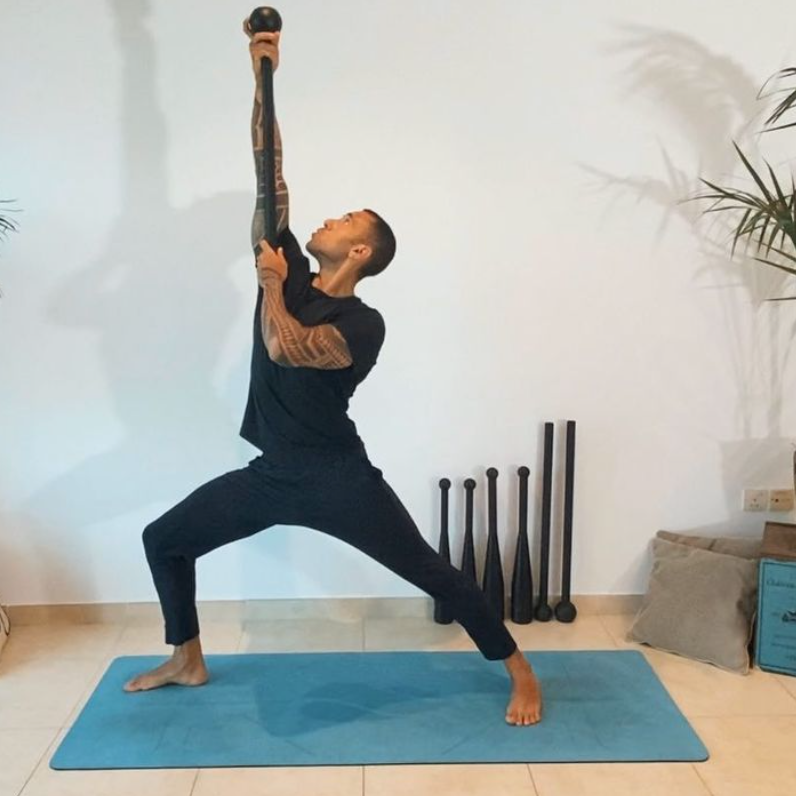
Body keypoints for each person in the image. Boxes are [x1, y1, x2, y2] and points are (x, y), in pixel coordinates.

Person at [123, 22, 543, 727]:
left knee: (431, 572)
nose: (327, 217)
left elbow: (289, 348)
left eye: (345, 219)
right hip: (272, 472)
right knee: (163, 539)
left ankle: (521, 671)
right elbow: (269, 171)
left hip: (338, 479)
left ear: (359, 251)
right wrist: (263, 75)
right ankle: (187, 658)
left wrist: (268, 284)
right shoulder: (287, 264)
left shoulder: (362, 322)